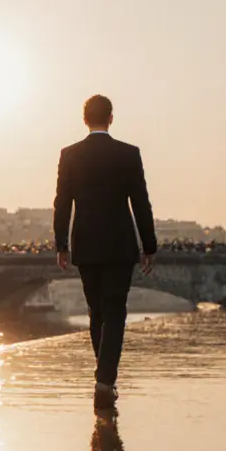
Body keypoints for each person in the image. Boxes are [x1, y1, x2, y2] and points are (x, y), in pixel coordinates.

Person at [53, 95, 157, 408]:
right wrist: (148, 245)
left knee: (96, 312)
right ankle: (105, 378)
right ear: (111, 118)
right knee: (115, 311)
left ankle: (104, 376)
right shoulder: (128, 154)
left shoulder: (69, 155)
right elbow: (140, 202)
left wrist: (62, 245)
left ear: (84, 119)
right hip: (119, 244)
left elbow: (62, 203)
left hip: (85, 243)